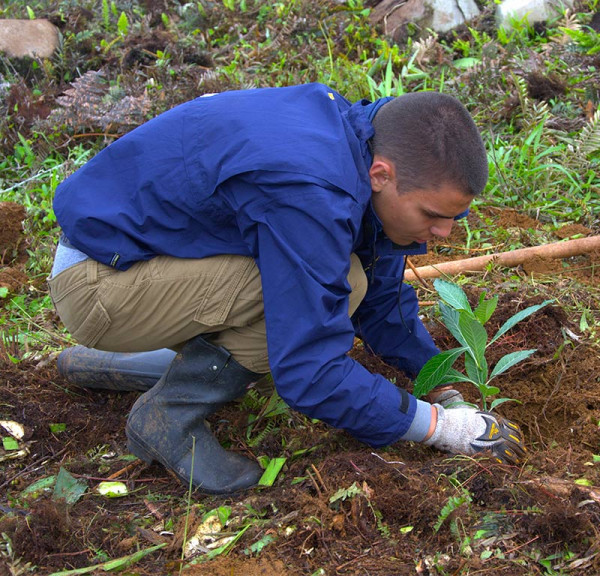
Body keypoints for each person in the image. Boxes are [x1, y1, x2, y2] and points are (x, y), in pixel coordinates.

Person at [49, 84, 526, 495]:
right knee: (335, 285)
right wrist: (439, 428)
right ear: (382, 175)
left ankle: (162, 364)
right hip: (99, 285)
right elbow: (309, 371)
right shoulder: (309, 189)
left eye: (454, 218)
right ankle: (166, 418)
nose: (443, 233)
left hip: (151, 257)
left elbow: (382, 298)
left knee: (351, 279)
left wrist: (440, 383)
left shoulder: (359, 141)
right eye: (432, 215)